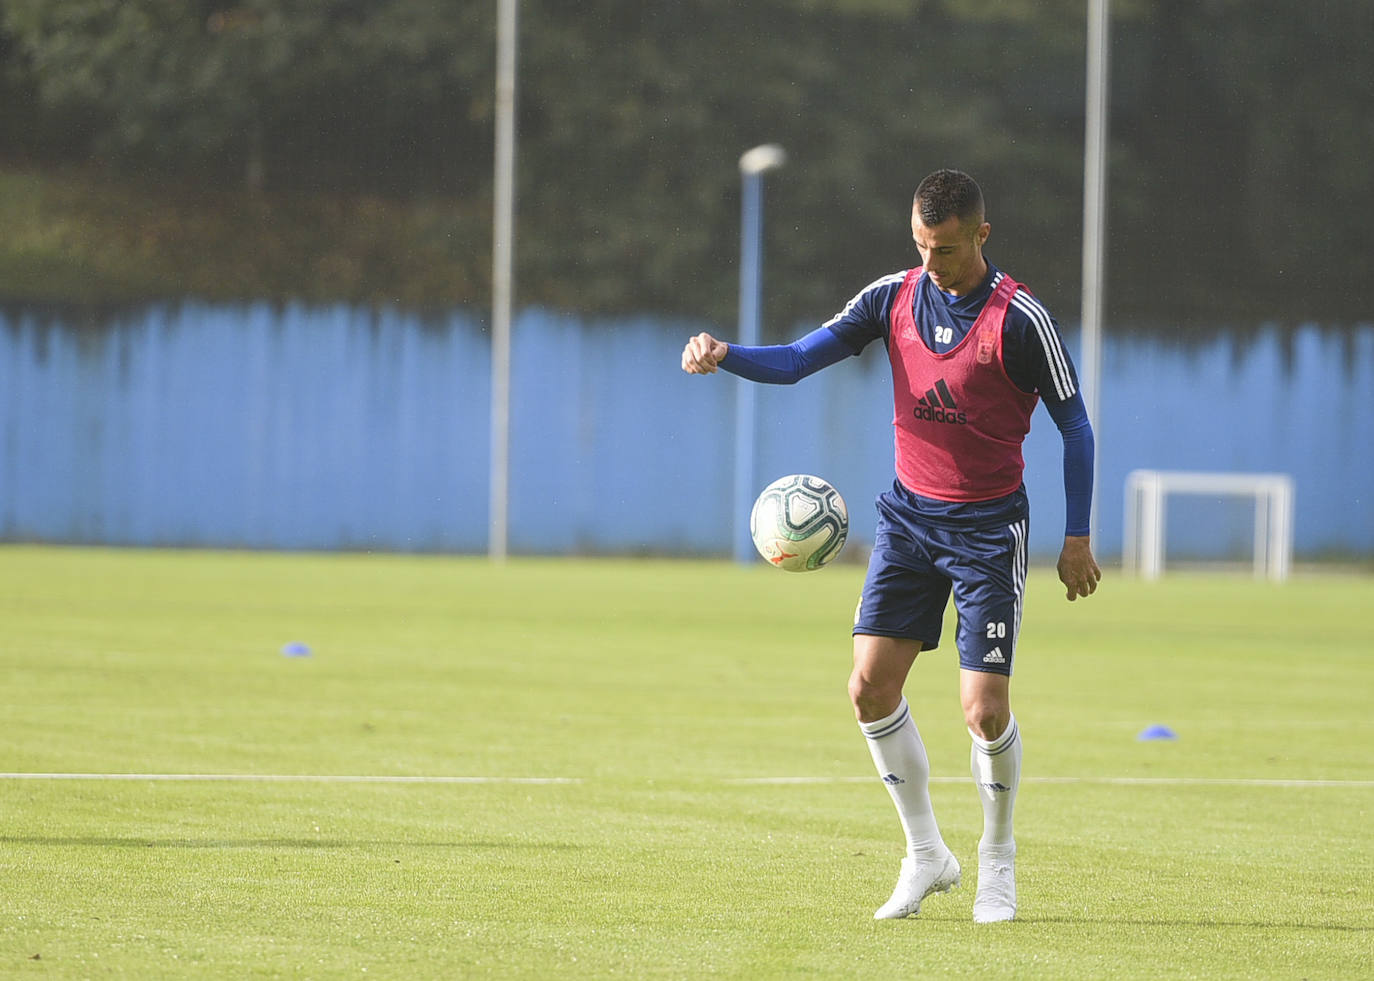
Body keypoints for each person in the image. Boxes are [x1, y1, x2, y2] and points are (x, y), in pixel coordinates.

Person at [681, 169, 1100, 923]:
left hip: (985, 529)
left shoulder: (1020, 319)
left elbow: (1075, 423)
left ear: (982, 234)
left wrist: (1077, 536)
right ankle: (926, 854)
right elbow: (800, 357)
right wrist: (724, 352)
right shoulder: (891, 297)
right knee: (869, 687)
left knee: (984, 710)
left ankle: (996, 862)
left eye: (942, 248)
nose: (930, 262)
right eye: (919, 244)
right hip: (909, 519)